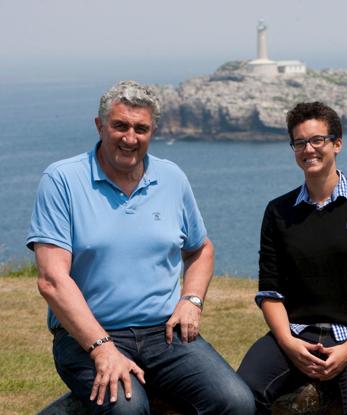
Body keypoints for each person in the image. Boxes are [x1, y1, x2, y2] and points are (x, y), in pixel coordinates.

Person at [27, 81, 255, 415]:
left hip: (164, 335)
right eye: (120, 126)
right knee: (128, 410)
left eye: (141, 128)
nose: (130, 138)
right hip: (88, 336)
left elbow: (200, 248)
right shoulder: (62, 180)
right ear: (99, 125)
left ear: (153, 131)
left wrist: (191, 300)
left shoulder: (171, 177)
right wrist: (102, 348)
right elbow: (52, 280)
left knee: (236, 402)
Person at [237, 102, 347, 415]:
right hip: (295, 334)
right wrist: (287, 343)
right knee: (238, 397)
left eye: (317, 140)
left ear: (337, 144)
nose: (308, 149)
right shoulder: (278, 211)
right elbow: (269, 290)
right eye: (299, 143)